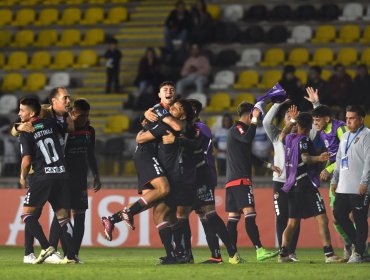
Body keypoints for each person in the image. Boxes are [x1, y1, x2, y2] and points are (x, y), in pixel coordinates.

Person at [101, 81, 183, 240]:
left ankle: (111, 220)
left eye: (172, 89)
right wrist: (145, 116)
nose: (169, 92)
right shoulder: (158, 110)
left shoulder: (165, 112)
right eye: (165, 89)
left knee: (152, 199)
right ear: (159, 94)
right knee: (164, 189)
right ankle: (127, 212)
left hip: (148, 155)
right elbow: (148, 131)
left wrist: (144, 117)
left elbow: (144, 123)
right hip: (147, 154)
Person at [11, 87, 74, 264]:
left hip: (42, 175)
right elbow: (65, 129)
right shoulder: (50, 121)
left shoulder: (28, 130)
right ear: (54, 102)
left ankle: (46, 248)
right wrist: (19, 125)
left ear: (31, 112)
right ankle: (70, 256)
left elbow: (26, 160)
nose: (68, 102)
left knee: (27, 215)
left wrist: (22, 176)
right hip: (61, 173)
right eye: (65, 99)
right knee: (63, 217)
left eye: (22, 110)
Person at [278, 112, 343, 263]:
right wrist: (319, 158)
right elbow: (305, 158)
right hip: (303, 184)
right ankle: (329, 254)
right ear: (309, 126)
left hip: (290, 185)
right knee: (322, 218)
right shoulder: (304, 139)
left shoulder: (289, 138)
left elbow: (281, 135)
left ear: (297, 124)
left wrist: (291, 122)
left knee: (292, 222)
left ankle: (283, 254)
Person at [183, 99, 241, 264]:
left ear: (193, 110)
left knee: (210, 214)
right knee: (204, 216)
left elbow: (198, 144)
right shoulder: (187, 128)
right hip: (192, 177)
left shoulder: (202, 128)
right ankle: (216, 256)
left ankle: (233, 253)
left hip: (204, 175)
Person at [225, 102, 280, 261]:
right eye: (255, 114)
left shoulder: (236, 132)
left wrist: (268, 165)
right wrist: (255, 119)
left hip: (232, 181)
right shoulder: (238, 129)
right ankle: (259, 250)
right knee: (250, 214)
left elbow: (248, 156)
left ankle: (233, 256)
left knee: (233, 217)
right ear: (249, 113)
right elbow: (248, 138)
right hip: (241, 180)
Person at [309, 89, 352, 259]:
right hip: (337, 177)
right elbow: (321, 113)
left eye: (317, 120)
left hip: (349, 176)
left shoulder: (340, 129)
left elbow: (346, 155)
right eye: (313, 120)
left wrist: (328, 168)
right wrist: (315, 103)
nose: (315, 123)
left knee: (350, 216)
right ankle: (350, 243)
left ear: (327, 119)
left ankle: (359, 247)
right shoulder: (322, 129)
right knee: (336, 218)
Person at [263, 101, 301, 261]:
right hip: (280, 182)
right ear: (285, 120)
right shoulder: (277, 134)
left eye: (295, 117)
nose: (292, 119)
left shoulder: (302, 136)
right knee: (281, 217)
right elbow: (265, 121)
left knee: (295, 218)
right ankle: (283, 251)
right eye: (289, 116)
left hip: (297, 182)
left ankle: (291, 252)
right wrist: (277, 104)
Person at [64, 98, 102, 262]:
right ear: (72, 113)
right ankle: (67, 254)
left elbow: (90, 154)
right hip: (63, 178)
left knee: (80, 217)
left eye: (86, 116)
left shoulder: (90, 131)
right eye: (80, 115)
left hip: (80, 179)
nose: (83, 119)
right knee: (62, 217)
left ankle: (75, 254)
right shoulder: (64, 130)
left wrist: (96, 175)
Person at [332, 105, 370, 263]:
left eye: (352, 118)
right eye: (347, 118)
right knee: (338, 214)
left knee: (360, 219)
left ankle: (359, 253)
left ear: (361, 119)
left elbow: (369, 159)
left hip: (360, 187)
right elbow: (339, 159)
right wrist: (335, 179)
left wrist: (364, 181)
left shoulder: (368, 135)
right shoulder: (345, 136)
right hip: (343, 186)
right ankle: (359, 246)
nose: (348, 122)